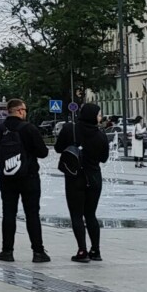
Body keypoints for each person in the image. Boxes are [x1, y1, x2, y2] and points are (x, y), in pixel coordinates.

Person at [0, 97, 50, 263]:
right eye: (25, 110)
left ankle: (7, 251)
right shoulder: (29, 128)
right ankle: (38, 252)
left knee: (8, 214)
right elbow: (43, 153)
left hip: (7, 178)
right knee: (32, 214)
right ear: (20, 111)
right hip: (29, 177)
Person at [55, 103, 110, 264]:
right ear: (92, 116)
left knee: (76, 215)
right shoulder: (100, 135)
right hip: (94, 178)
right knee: (91, 214)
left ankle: (82, 250)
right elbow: (104, 158)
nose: (100, 118)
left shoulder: (69, 129)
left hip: (74, 177)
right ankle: (96, 250)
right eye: (99, 115)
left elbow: (58, 149)